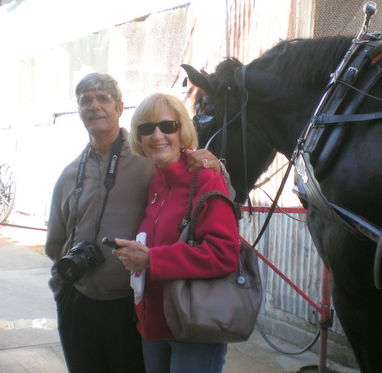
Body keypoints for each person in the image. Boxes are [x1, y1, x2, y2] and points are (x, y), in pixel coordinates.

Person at [45, 73, 224, 373]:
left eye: (104, 98)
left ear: (119, 108)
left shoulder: (151, 157)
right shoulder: (69, 173)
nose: (95, 106)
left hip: (128, 307)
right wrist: (61, 289)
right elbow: (55, 241)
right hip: (77, 303)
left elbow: (204, 188)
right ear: (78, 110)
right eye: (85, 100)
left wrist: (218, 167)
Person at [111, 92, 240, 373]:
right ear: (139, 138)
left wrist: (151, 260)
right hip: (153, 326)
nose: (157, 135)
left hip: (192, 328)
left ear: (182, 131)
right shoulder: (156, 182)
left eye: (167, 126)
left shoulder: (206, 177)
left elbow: (224, 254)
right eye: (146, 128)